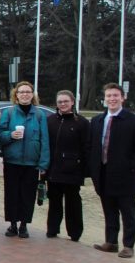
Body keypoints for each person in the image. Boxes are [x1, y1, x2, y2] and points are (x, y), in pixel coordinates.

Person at [89, 83, 135, 259]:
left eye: (115, 95)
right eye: (109, 96)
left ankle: (128, 245)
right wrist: (93, 169)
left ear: (122, 98)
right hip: (103, 174)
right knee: (109, 210)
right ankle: (111, 242)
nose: (112, 99)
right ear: (104, 99)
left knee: (128, 212)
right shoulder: (97, 121)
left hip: (126, 176)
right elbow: (92, 147)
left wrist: (131, 167)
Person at [0, 81, 49, 239]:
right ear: (16, 95)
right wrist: (10, 135)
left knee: (28, 195)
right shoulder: (10, 113)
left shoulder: (39, 114)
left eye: (28, 92)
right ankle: (12, 223)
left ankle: (24, 225)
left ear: (33, 95)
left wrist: (43, 163)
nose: (25, 94)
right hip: (12, 161)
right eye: (21, 92)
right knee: (12, 194)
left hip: (31, 163)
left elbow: (44, 139)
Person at [46, 90, 88, 241]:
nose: (63, 104)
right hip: (53, 168)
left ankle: (75, 232)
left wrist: (83, 169)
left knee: (73, 202)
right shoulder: (50, 120)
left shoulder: (82, 123)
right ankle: (52, 229)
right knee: (54, 200)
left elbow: (86, 148)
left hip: (73, 170)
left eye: (65, 101)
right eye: (59, 102)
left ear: (72, 102)